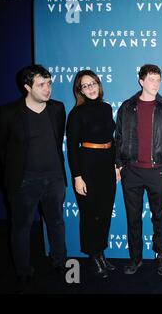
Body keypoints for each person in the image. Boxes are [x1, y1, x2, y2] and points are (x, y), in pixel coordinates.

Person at [0, 65, 67, 283]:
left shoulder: (57, 109)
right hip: (24, 181)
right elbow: (2, 148)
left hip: (55, 178)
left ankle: (60, 263)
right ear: (27, 87)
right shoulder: (8, 113)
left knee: (56, 223)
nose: (47, 89)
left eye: (49, 83)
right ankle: (23, 271)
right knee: (21, 227)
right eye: (41, 85)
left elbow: (57, 140)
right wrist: (13, 176)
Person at [115, 64, 162, 276]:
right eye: (151, 79)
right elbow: (119, 138)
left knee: (159, 216)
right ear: (141, 81)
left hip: (157, 170)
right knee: (133, 217)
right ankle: (135, 257)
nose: (155, 84)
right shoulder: (126, 107)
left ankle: (161, 256)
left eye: (158, 79)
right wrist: (119, 165)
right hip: (131, 170)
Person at [66, 70, 117, 279]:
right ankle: (93, 255)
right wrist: (77, 176)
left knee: (104, 213)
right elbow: (71, 147)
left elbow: (111, 139)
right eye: (85, 85)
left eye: (93, 83)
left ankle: (101, 253)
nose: (91, 88)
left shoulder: (106, 108)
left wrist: (115, 165)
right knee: (90, 214)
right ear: (79, 90)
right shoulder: (76, 113)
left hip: (107, 166)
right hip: (87, 167)